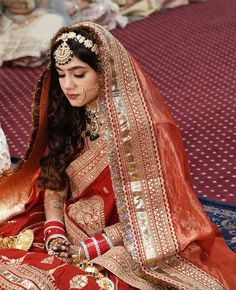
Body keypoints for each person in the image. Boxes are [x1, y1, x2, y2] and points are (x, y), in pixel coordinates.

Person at [0, 22, 235, 290]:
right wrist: (55, 232)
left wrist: (91, 247)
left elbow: (154, 215)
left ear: (105, 73)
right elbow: (54, 181)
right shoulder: (69, 115)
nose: (68, 86)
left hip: (129, 241)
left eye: (79, 74)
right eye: (62, 74)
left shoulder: (141, 132)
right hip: (68, 226)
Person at [0, 0, 69, 67]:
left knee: (55, 19)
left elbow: (43, 9)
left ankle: (32, 53)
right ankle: (22, 54)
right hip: (8, 23)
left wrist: (29, 21)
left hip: (33, 18)